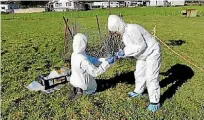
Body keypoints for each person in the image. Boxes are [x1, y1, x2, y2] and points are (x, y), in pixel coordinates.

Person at [108, 15, 161, 112]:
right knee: (139, 73)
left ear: (118, 26)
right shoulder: (124, 35)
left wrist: (124, 52)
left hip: (152, 52)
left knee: (151, 77)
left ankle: (155, 101)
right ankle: (138, 91)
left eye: (115, 31)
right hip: (142, 55)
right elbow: (131, 47)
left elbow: (141, 46)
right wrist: (118, 54)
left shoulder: (132, 29)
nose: (115, 34)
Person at [69, 33, 115, 97]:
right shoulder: (82, 60)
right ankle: (83, 92)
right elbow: (95, 72)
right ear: (83, 44)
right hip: (86, 85)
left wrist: (105, 60)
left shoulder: (75, 54)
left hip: (74, 81)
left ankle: (78, 89)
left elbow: (91, 60)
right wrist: (107, 64)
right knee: (102, 84)